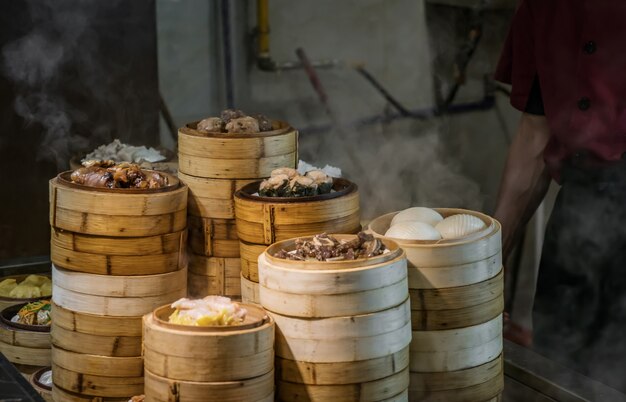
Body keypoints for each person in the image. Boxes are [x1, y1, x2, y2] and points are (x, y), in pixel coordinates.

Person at [494, 0, 626, 392]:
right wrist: (485, 266)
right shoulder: (542, 8)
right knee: (558, 377)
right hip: (578, 217)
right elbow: (536, 136)